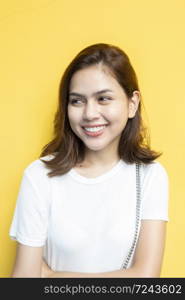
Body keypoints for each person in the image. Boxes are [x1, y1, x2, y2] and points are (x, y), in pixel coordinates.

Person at [9, 43, 169, 278]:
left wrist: (53, 277)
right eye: (77, 101)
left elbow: (146, 279)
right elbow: (24, 283)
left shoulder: (150, 175)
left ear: (132, 104)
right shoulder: (39, 176)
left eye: (103, 98)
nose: (89, 113)